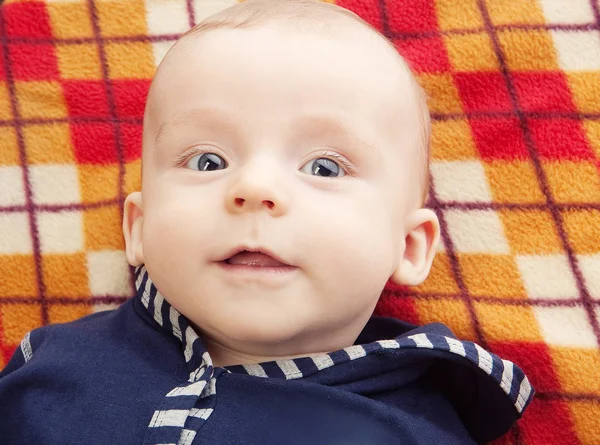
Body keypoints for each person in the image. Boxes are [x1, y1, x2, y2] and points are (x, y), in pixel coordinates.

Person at [0, 1, 533, 444]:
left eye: (324, 167)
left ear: (409, 246)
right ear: (137, 227)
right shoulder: (47, 365)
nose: (254, 189)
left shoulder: (414, 431)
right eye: (207, 161)